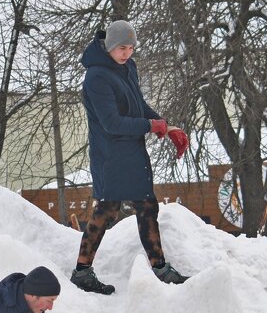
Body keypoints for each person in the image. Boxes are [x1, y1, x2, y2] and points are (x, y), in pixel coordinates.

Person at [70, 21, 190, 294]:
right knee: (108, 210)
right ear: (110, 46)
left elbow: (137, 107)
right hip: (110, 156)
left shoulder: (127, 68)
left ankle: (159, 268)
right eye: (122, 48)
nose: (127, 53)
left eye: (131, 48)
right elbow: (112, 123)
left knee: (147, 207)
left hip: (132, 153)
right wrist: (151, 127)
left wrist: (165, 125)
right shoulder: (96, 77)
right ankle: (82, 271)